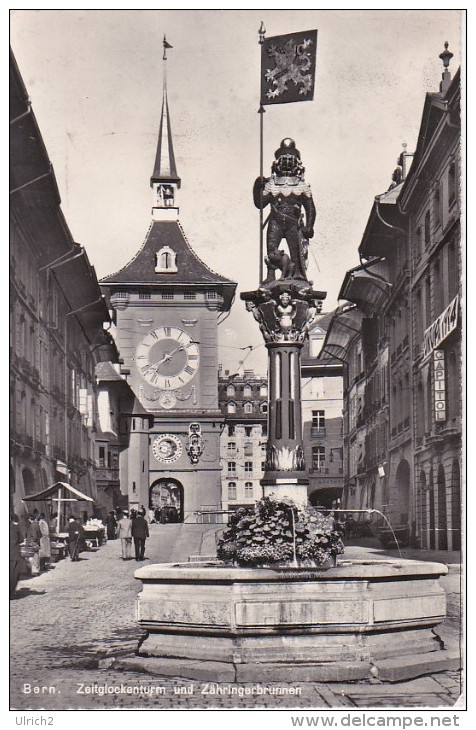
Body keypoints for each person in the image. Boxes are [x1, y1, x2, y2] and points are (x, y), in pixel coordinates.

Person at [10, 514, 23, 598]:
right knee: (14, 573)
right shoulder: (16, 528)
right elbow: (21, 539)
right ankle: (11, 593)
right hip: (14, 554)